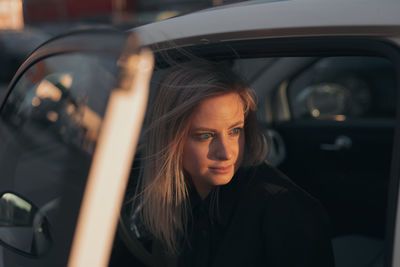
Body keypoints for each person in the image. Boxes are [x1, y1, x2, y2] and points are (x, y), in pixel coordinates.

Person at [131, 60, 335, 267]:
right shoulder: (185, 201)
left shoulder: (285, 212)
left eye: (235, 131)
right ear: (170, 139)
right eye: (206, 136)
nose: (227, 152)